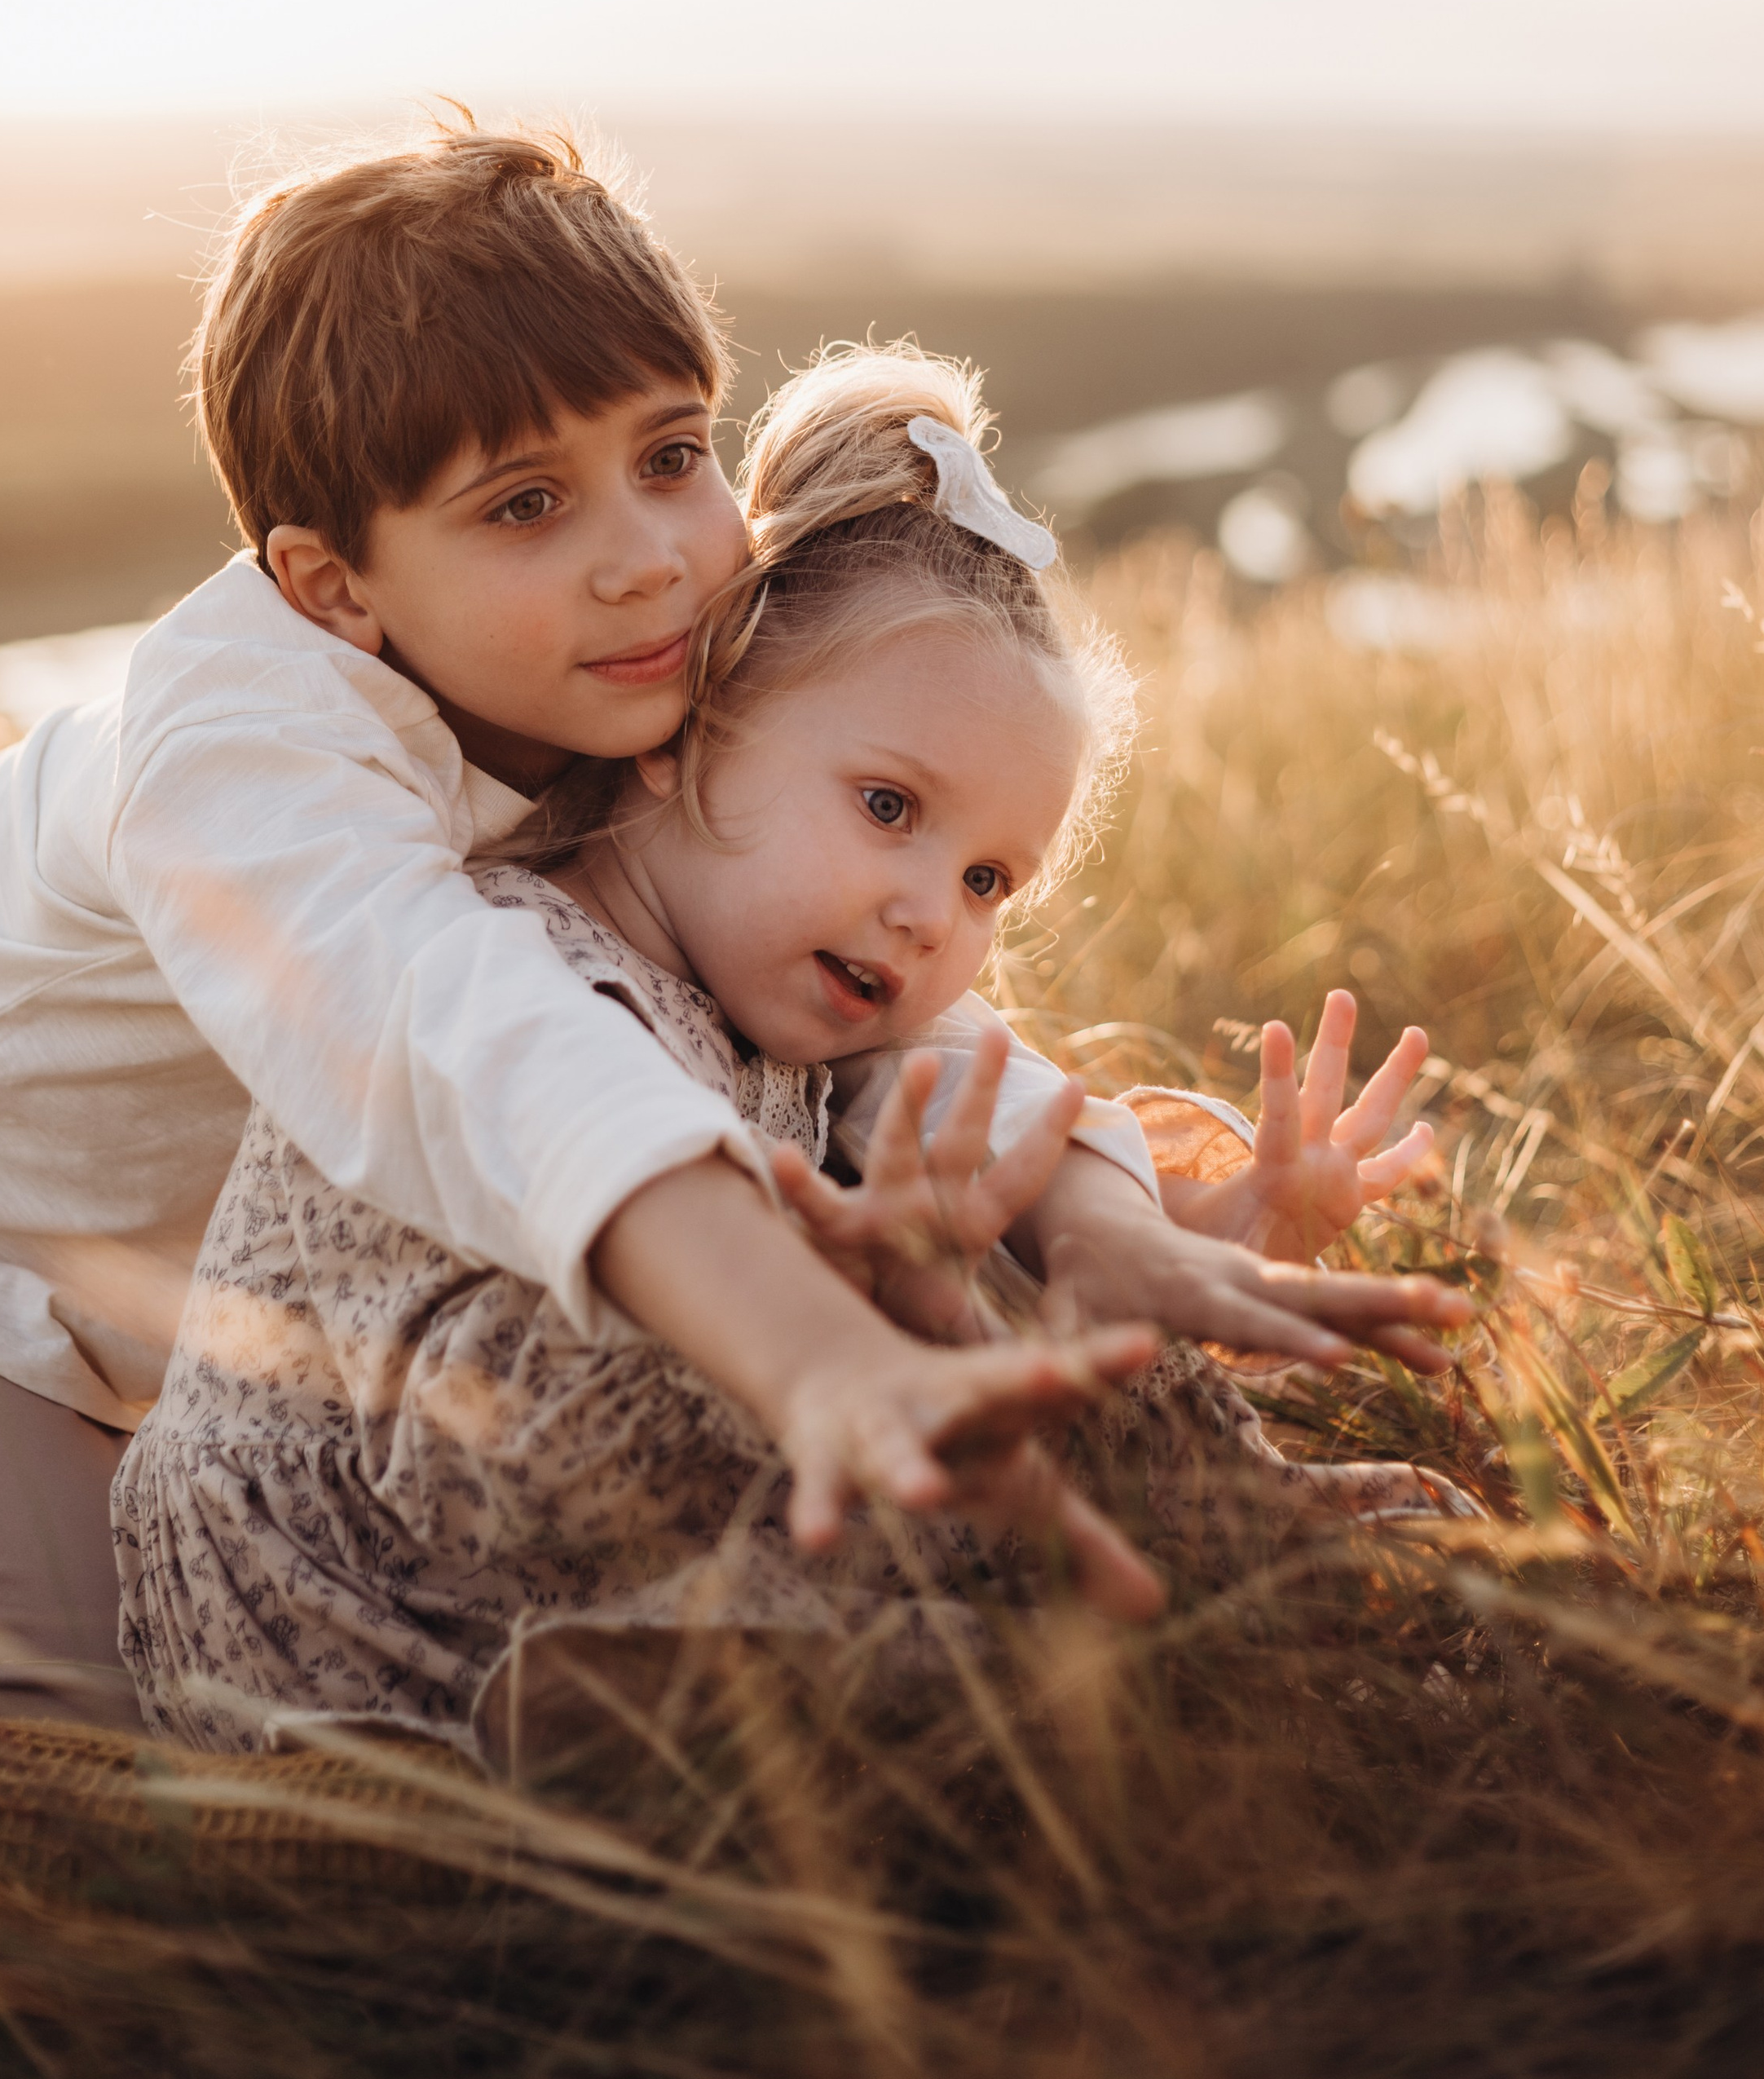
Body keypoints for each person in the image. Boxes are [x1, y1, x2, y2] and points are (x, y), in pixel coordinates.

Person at [0, 121, 1460, 1720]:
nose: (646, 558)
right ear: (332, 584)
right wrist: (813, 1364)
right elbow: (459, 1035)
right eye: (524, 504)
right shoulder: (239, 752)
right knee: (121, 1742)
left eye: (668, 458)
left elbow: (893, 1004)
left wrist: (1106, 1222)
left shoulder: (609, 681)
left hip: (103, 1291)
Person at [114, 346, 1468, 1756]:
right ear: (691, 730)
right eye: (889, 807)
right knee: (947, 1516)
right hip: (333, 1605)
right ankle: (694, 1694)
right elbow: (496, 1434)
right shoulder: (528, 984)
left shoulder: (784, 1013)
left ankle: (1218, 1522)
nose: (929, 913)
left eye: (990, 881)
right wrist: (853, 1295)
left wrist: (1184, 1231)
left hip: (553, 1571)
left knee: (982, 1321)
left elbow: (982, 1126)